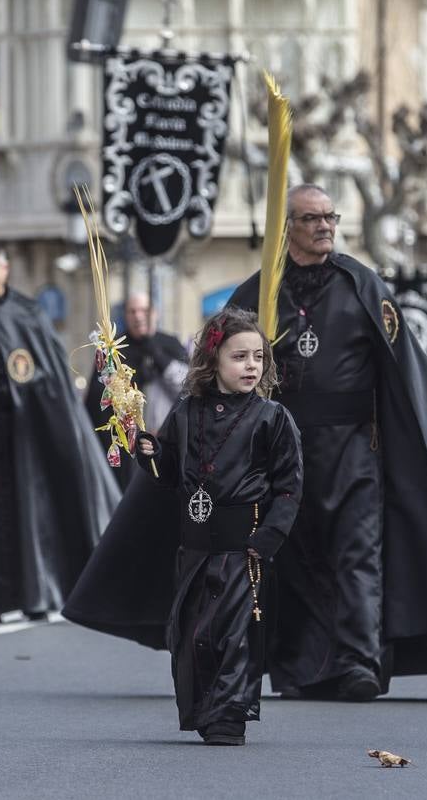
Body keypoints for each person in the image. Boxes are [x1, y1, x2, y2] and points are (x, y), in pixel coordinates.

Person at [66, 184, 427, 700]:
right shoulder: (260, 294)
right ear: (286, 227)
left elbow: (404, 377)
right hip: (278, 451)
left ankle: (359, 661)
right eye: (311, 219)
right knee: (294, 557)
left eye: (330, 217)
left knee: (357, 552)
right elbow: (219, 365)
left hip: (357, 448)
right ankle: (302, 666)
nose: (325, 226)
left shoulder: (362, 286)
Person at [130, 309, 302, 746]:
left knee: (233, 633)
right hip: (194, 547)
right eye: (239, 356)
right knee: (190, 633)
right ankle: (205, 710)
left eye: (258, 357)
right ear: (213, 360)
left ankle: (229, 715)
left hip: (242, 548)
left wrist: (269, 538)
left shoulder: (272, 418)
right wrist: (148, 452)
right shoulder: (187, 412)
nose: (251, 366)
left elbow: (288, 487)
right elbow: (168, 473)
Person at [0, 242, 118, 621]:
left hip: (23, 437)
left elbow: (50, 378)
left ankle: (37, 592)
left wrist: (33, 391)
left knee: (30, 517)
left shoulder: (29, 314)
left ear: (5, 271)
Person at [85, 292, 188, 489]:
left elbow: (187, 387)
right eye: (132, 311)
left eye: (144, 310)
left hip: (164, 443)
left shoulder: (169, 344)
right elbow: (96, 399)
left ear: (155, 313)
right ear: (125, 315)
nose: (138, 316)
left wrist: (160, 359)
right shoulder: (115, 350)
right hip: (128, 449)